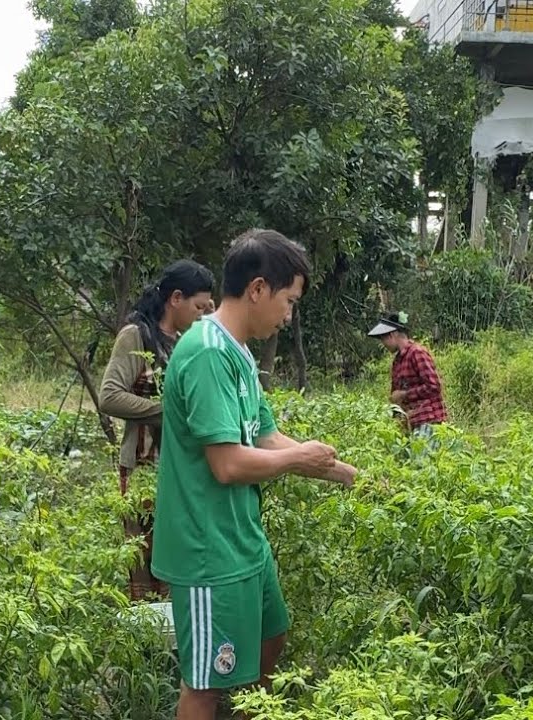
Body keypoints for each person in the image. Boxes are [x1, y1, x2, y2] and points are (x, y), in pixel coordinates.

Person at [152, 229, 358, 719]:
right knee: (204, 682)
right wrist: (298, 459)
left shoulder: (238, 353)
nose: (289, 315)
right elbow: (227, 464)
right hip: (208, 548)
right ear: (259, 289)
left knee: (271, 638)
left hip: (242, 539)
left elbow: (264, 437)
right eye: (288, 301)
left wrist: (348, 474)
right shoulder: (206, 352)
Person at [99, 259, 216, 602]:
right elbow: (110, 396)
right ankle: (149, 642)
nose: (201, 314)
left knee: (179, 557)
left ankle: (174, 639)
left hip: (181, 468)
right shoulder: (136, 335)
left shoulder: (184, 341)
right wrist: (167, 412)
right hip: (143, 468)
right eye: (198, 306)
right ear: (175, 298)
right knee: (147, 558)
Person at [367, 311, 447, 436]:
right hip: (410, 424)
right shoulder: (397, 361)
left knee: (423, 456)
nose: (383, 344)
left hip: (428, 422)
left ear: (392, 334)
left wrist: (404, 395)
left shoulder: (417, 353)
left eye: (383, 339)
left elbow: (434, 386)